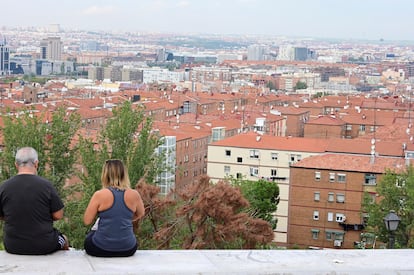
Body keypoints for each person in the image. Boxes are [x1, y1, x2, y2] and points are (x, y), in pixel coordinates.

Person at [0, 147, 69, 255]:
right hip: (44, 245)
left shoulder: (4, 187)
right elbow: (59, 215)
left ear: (16, 165)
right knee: (64, 239)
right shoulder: (46, 185)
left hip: (13, 245)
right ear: (36, 164)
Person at [83, 159, 145, 257]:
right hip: (128, 248)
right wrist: (124, 219)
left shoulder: (99, 195)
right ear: (124, 174)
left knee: (90, 236)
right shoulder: (134, 194)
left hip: (100, 248)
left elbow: (87, 221)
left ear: (105, 175)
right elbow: (141, 214)